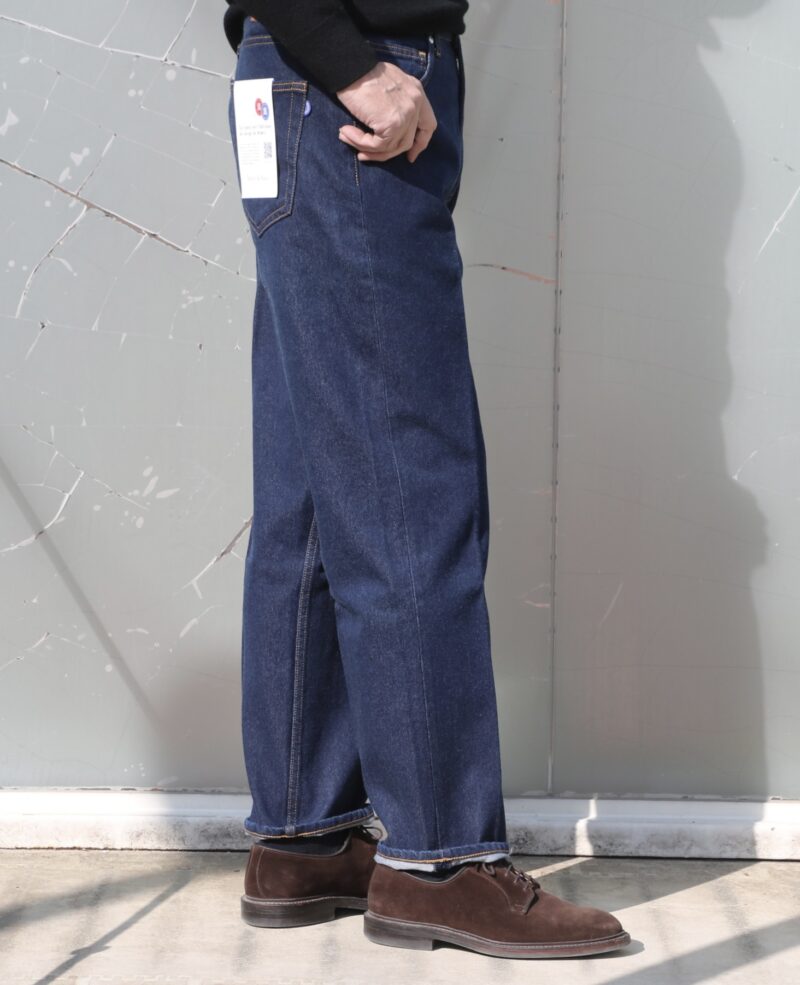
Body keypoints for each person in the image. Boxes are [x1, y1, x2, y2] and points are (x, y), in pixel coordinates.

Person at [222, 0, 630, 958]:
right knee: (410, 486)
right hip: (350, 89)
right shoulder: (357, 76)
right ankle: (441, 862)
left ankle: (305, 839)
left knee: (316, 492)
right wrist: (355, 67)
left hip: (308, 88)